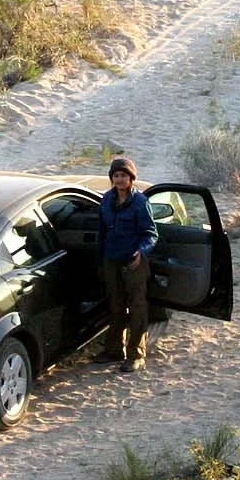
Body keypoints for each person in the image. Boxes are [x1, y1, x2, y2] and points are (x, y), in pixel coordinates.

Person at [99, 155, 157, 373]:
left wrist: (140, 253)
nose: (120, 179)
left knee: (137, 308)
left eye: (124, 175)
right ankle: (114, 350)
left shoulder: (140, 203)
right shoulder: (106, 200)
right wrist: (101, 261)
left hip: (134, 262)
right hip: (111, 260)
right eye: (116, 175)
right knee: (115, 305)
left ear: (131, 178)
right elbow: (102, 232)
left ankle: (136, 355)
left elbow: (151, 234)